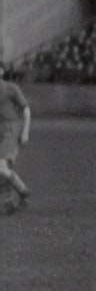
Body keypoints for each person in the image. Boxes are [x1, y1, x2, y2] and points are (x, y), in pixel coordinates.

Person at [0, 65, 31, 215]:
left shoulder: (10, 88)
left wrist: (25, 132)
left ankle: (18, 194)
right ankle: (15, 198)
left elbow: (26, 110)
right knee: (2, 169)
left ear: (1, 71)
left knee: (1, 166)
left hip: (10, 129)